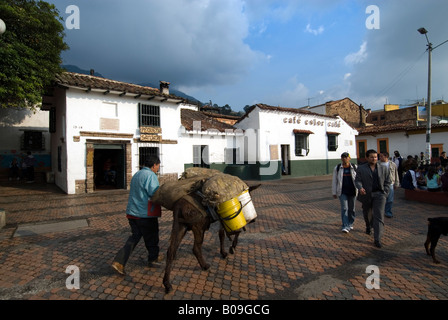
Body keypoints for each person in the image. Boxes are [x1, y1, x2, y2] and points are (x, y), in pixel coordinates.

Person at [111, 155, 161, 275]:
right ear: (154, 165)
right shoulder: (151, 175)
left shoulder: (137, 174)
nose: (158, 169)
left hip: (132, 213)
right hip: (145, 214)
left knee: (134, 238)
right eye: (158, 166)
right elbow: (154, 193)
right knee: (152, 237)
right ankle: (153, 259)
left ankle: (119, 262)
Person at [355, 149, 391, 248]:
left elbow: (388, 180)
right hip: (366, 194)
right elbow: (357, 180)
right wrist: (360, 188)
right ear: (367, 158)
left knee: (379, 216)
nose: (374, 159)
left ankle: (377, 239)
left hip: (380, 195)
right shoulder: (361, 168)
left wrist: (385, 192)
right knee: (367, 214)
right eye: (371, 157)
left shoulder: (383, 168)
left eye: (375, 157)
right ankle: (368, 226)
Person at [332, 152, 358, 233]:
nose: (344, 159)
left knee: (352, 209)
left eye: (346, 157)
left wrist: (360, 188)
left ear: (349, 158)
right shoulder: (338, 168)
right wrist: (334, 192)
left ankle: (350, 223)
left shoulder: (354, 167)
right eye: (343, 157)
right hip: (342, 191)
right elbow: (334, 181)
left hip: (353, 191)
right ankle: (345, 225)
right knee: (344, 208)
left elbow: (359, 179)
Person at [380, 152, 400, 218]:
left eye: (381, 156)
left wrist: (396, 183)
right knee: (381, 199)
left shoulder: (392, 164)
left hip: (390, 183)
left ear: (386, 156)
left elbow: (395, 174)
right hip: (380, 184)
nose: (380, 158)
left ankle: (388, 212)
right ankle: (380, 211)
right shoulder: (377, 164)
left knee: (390, 199)